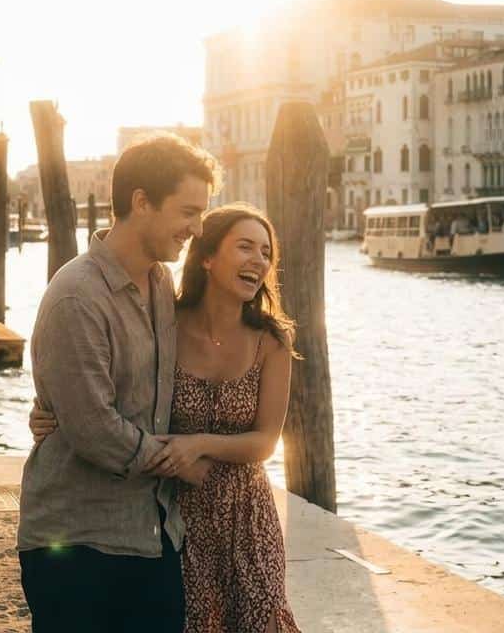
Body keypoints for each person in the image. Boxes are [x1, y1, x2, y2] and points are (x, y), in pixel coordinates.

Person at [31, 203, 302, 633]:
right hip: (174, 514)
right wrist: (53, 410)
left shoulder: (272, 340)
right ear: (208, 257)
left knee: (264, 623)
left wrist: (199, 444)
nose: (259, 261)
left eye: (266, 253)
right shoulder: (165, 320)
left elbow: (266, 441)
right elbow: (117, 388)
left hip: (246, 516)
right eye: (245, 247)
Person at [16, 133, 219, 633]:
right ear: (142, 202)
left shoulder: (159, 284)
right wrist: (180, 463)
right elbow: (93, 429)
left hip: (153, 536)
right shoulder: (77, 297)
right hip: (79, 544)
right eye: (188, 211)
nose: (196, 228)